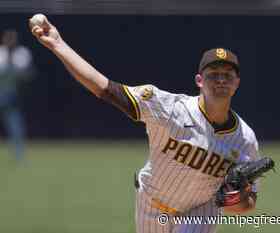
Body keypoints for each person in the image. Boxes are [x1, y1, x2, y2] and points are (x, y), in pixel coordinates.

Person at [30, 16, 260, 233]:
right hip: (152, 203)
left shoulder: (244, 138)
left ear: (237, 82)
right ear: (199, 81)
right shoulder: (169, 108)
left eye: (228, 75)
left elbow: (246, 204)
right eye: (213, 74)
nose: (221, 80)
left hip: (202, 209)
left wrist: (235, 198)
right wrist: (58, 45)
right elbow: (104, 88)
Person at [0, 29, 34, 162]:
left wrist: (16, 71)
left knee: (15, 126)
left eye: (12, 38)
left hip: (12, 95)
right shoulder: (1, 53)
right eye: (7, 38)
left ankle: (19, 156)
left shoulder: (22, 53)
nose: (9, 41)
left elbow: (28, 74)